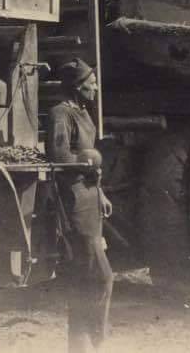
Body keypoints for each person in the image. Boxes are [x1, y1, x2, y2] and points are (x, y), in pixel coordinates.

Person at [46, 58, 114, 352]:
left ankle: (80, 345)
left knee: (84, 278)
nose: (96, 86)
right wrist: (89, 162)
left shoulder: (83, 113)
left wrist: (101, 194)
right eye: (92, 82)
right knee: (101, 276)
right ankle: (98, 341)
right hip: (74, 201)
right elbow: (59, 155)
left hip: (90, 199)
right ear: (77, 85)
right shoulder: (60, 113)